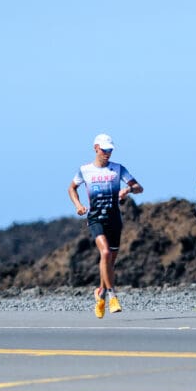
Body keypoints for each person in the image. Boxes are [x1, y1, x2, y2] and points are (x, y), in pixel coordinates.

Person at [68, 133, 143, 318]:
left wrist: (128, 190)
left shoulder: (118, 169)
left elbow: (139, 187)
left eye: (110, 150)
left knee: (109, 263)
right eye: (104, 150)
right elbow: (71, 188)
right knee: (106, 253)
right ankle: (112, 296)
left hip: (114, 219)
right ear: (96, 148)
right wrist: (78, 205)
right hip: (95, 218)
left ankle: (100, 292)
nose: (107, 153)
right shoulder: (85, 170)